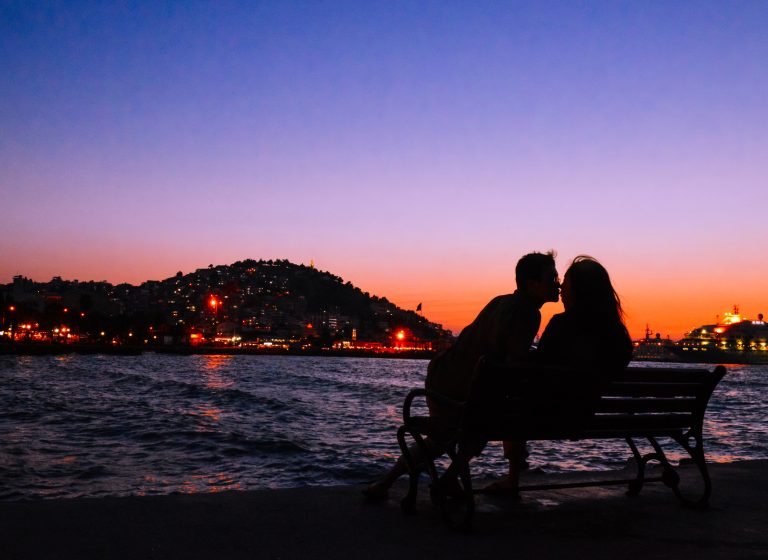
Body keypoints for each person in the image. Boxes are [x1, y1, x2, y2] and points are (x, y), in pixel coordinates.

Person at [363, 251, 560, 501]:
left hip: (444, 376)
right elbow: (513, 364)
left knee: (444, 436)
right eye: (552, 278)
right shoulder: (528, 313)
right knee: (473, 429)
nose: (558, 284)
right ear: (532, 283)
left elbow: (489, 350)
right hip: (459, 387)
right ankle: (442, 481)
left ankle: (388, 482)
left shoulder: (500, 302)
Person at [485, 255, 633, 492]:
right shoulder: (618, 336)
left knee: (510, 398)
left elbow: (537, 371)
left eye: (566, 282)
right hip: (588, 415)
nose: (561, 287)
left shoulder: (561, 325)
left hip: (551, 415)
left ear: (580, 290)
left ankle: (513, 477)